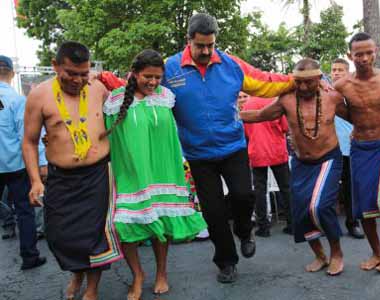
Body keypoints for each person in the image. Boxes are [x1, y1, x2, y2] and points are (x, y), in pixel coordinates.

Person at [100, 13, 295, 283]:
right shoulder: (170, 69)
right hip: (198, 155)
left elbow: (266, 82)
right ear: (188, 40)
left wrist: (300, 79)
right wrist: (104, 80)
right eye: (200, 45)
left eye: (210, 45)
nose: (205, 51)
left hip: (233, 146)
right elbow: (143, 87)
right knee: (213, 213)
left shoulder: (231, 65)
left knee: (243, 195)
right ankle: (226, 262)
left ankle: (244, 231)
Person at [102, 49, 207, 299]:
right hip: (130, 175)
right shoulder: (115, 100)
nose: (153, 82)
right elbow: (107, 136)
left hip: (163, 173)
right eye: (148, 76)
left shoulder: (166, 97)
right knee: (125, 226)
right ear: (134, 73)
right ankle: (137, 275)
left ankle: (162, 272)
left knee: (162, 224)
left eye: (158, 77)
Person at [22, 42, 122, 300]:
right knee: (58, 234)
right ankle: (77, 272)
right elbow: (30, 141)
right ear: (55, 66)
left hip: (97, 174)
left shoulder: (99, 88)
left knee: (95, 235)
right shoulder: (39, 96)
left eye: (83, 73)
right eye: (71, 73)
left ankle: (92, 288)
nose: (78, 80)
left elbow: (131, 99)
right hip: (60, 178)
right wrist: (35, 181)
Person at [241, 58, 347, 276]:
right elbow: (261, 115)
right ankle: (320, 255)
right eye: (298, 82)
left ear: (319, 79)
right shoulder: (287, 99)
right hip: (301, 162)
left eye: (308, 82)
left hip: (328, 159)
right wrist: (230, 117)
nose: (303, 87)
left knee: (319, 206)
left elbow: (356, 116)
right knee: (300, 212)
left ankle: (336, 253)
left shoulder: (332, 97)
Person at [334, 32, 380, 273]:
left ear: (375, 52)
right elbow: (340, 110)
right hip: (360, 148)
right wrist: (359, 125)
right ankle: (376, 252)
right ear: (349, 56)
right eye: (358, 54)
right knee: (362, 203)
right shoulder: (342, 85)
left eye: (368, 53)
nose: (363, 58)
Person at [0, 55, 47, 270]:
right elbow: (28, 135)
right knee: (25, 210)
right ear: (11, 73)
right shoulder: (18, 100)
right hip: (15, 164)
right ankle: (29, 257)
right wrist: (41, 163)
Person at [242, 95, 292, 237]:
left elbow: (246, 131)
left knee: (259, 190)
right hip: (276, 150)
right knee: (286, 188)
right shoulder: (275, 102)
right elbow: (285, 127)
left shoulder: (248, 104)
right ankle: (292, 223)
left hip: (257, 151)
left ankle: (263, 226)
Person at [330, 58, 364, 239]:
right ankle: (329, 225)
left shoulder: (353, 93)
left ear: (348, 73)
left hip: (351, 149)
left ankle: (353, 223)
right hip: (329, 149)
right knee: (329, 189)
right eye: (334, 70)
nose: (336, 73)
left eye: (340, 70)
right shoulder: (325, 93)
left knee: (351, 189)